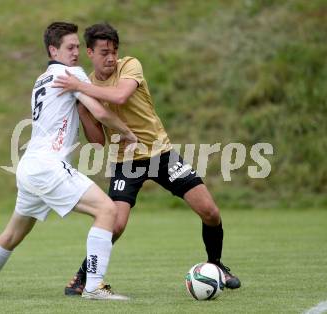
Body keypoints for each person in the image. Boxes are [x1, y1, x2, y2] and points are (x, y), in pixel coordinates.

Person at [52, 23, 241, 295]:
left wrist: (81, 87)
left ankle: (216, 266)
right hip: (125, 162)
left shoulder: (130, 65)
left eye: (114, 51)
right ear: (90, 53)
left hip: (160, 154)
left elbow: (120, 95)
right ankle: (83, 276)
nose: (111, 58)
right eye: (104, 52)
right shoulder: (88, 86)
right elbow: (97, 141)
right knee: (114, 224)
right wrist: (83, 111)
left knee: (210, 212)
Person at [0, 22, 138, 301]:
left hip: (29, 167)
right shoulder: (70, 73)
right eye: (70, 48)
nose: (76, 53)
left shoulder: (41, 79)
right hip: (48, 166)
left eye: (76, 47)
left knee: (12, 234)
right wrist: (128, 133)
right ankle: (94, 287)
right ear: (53, 50)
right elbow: (99, 110)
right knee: (108, 211)